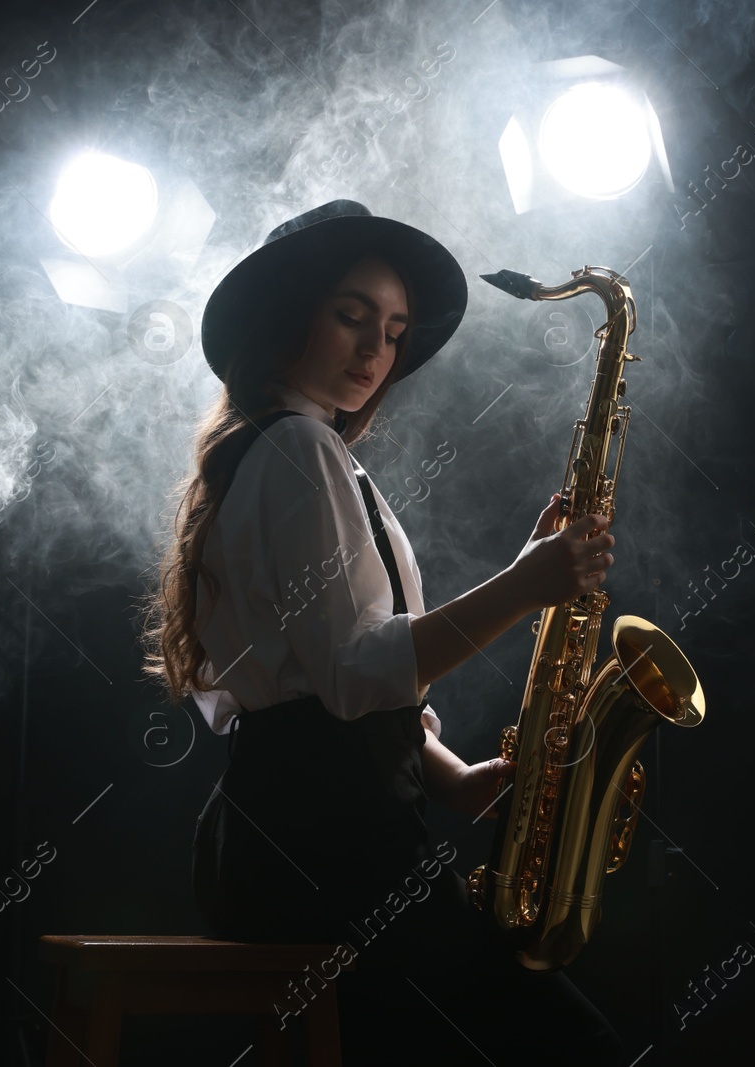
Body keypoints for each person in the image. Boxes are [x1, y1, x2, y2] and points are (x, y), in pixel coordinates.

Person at [138, 200, 627, 1066]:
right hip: (324, 843)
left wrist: (449, 775)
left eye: (395, 331)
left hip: (290, 833)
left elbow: (316, 674)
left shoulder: (288, 450)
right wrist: (527, 583)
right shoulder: (298, 451)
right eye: (351, 316)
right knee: (563, 1043)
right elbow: (356, 675)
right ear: (290, 318)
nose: (376, 351)